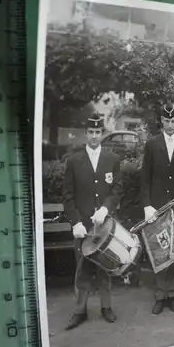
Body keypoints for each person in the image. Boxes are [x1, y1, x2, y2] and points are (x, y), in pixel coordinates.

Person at [62, 113, 123, 330]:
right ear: (86, 133)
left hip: (104, 225)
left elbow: (117, 189)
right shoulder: (74, 161)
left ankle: (106, 307)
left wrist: (106, 207)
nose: (95, 136)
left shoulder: (112, 159)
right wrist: (76, 222)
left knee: (105, 267)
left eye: (98, 132)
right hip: (84, 228)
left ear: (102, 134)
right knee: (82, 268)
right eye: (91, 132)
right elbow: (67, 196)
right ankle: (80, 310)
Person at [141, 103, 174, 315]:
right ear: (161, 121)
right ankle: (159, 294)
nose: (170, 125)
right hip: (157, 209)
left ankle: (171, 293)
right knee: (159, 252)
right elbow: (144, 179)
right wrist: (147, 205)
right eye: (167, 121)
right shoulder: (152, 145)